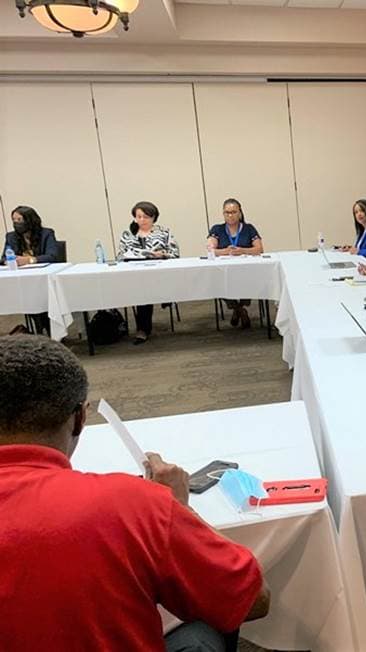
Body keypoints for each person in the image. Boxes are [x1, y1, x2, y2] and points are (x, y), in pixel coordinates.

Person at [0, 334, 270, 650]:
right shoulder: (132, 503)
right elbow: (253, 599)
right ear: (80, 418)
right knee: (202, 627)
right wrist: (177, 508)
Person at [117, 201, 180, 345]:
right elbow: (120, 255)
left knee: (145, 287)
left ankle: (143, 329)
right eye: (138, 217)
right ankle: (143, 328)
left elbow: (175, 253)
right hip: (135, 273)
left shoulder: (164, 232)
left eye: (146, 217)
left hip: (159, 272)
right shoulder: (128, 234)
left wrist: (162, 254)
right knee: (141, 286)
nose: (142, 220)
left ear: (153, 218)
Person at [3, 206, 61, 335]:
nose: (16, 223)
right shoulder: (11, 237)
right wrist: (10, 261)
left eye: (20, 219)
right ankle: (39, 329)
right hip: (23, 281)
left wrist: (29, 260)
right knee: (30, 299)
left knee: (40, 301)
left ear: (30, 220)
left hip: (43, 281)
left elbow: (52, 256)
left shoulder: (47, 234)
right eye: (14, 220)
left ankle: (48, 328)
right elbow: (4, 258)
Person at [207, 198, 264, 329]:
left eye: (233, 212)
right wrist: (225, 251)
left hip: (246, 271)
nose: (230, 215)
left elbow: (259, 249)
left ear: (240, 213)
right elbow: (211, 249)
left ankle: (238, 309)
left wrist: (242, 250)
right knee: (217, 282)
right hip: (224, 272)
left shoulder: (249, 228)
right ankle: (240, 310)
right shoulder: (217, 229)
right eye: (227, 212)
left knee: (248, 281)